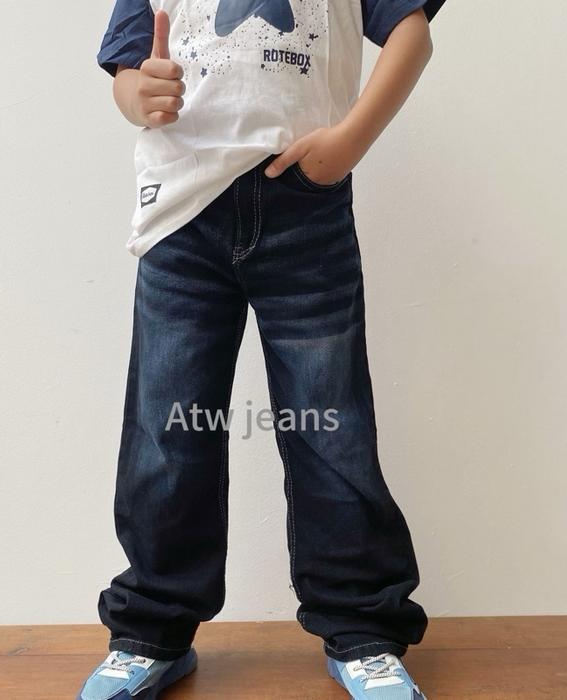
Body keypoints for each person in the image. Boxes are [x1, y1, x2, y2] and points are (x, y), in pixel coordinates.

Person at [77, 1, 446, 698]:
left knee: (330, 428)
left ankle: (363, 631)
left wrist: (350, 141)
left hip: (305, 201)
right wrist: (138, 94)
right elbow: (127, 68)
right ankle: (150, 629)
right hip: (181, 212)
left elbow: (412, 32)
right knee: (167, 432)